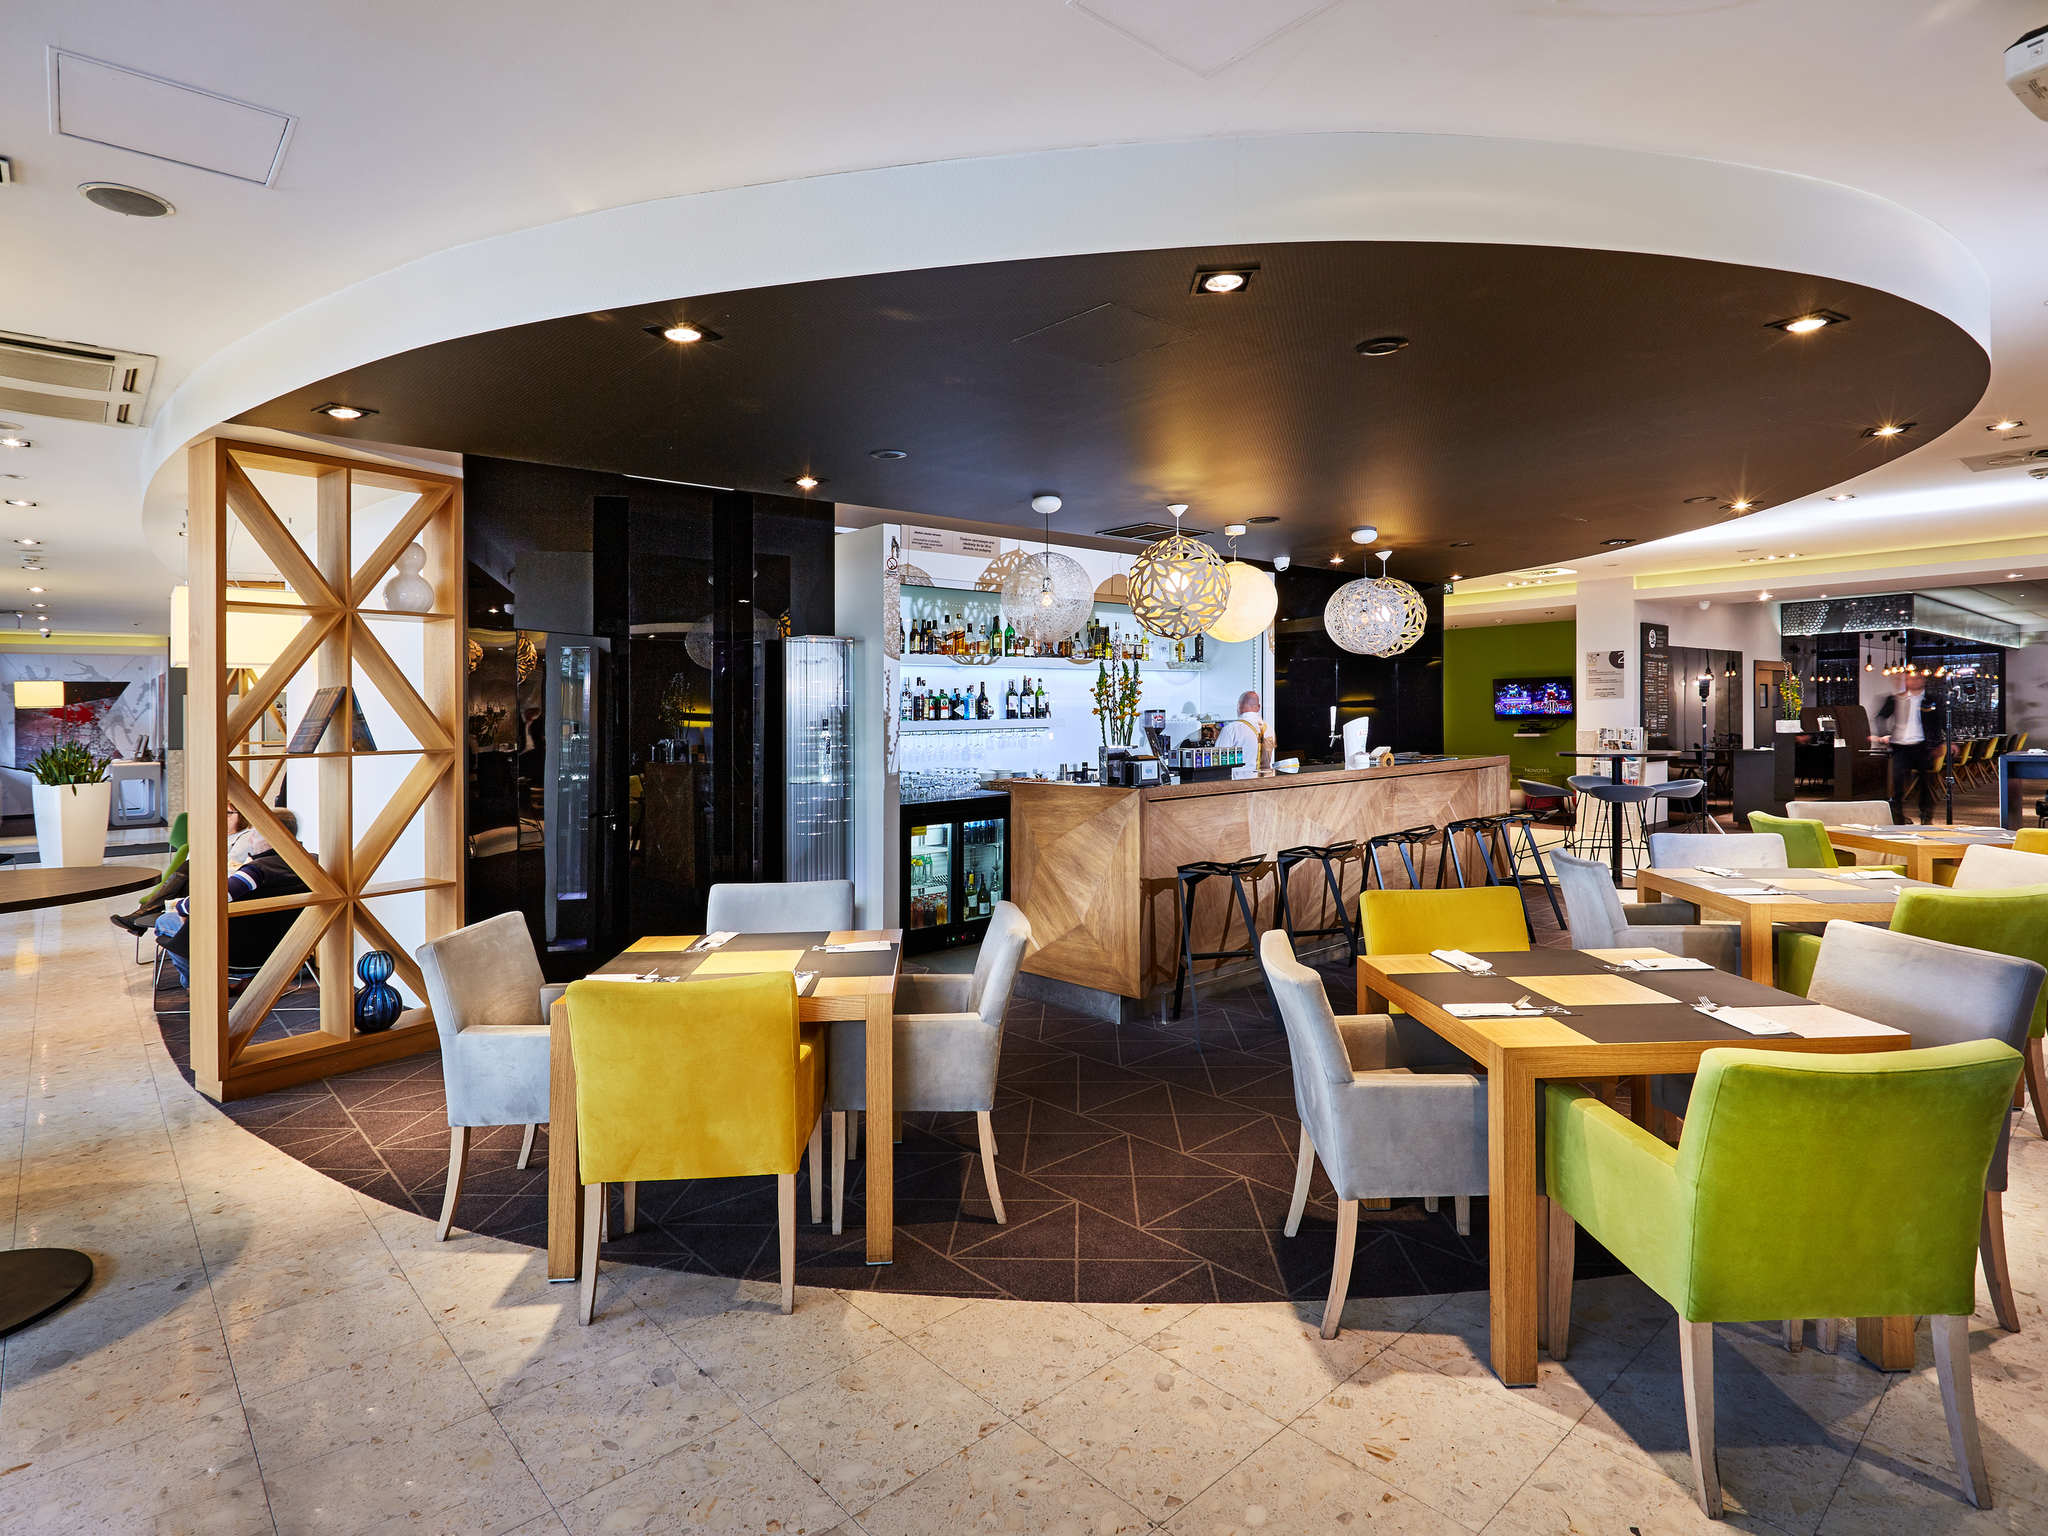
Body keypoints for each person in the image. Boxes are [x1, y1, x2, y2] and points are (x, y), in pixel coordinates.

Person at [154, 808, 307, 988]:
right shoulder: (309, 863)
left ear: (271, 837)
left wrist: (181, 907)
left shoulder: (256, 872)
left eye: (255, 834)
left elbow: (209, 900)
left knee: (163, 921)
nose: (250, 840)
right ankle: (249, 980)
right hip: (284, 949)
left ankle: (197, 987)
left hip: (237, 952)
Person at [112, 804, 260, 934]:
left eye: (228, 813)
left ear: (241, 816)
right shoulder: (214, 834)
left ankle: (142, 914)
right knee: (188, 869)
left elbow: (231, 866)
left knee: (188, 870)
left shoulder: (245, 837)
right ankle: (142, 915)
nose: (222, 817)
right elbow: (191, 857)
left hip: (220, 883)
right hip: (197, 880)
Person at [1874, 670, 1946, 824]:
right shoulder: (1895, 699)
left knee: (1925, 782)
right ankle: (1897, 817)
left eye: (1917, 678)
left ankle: (1926, 815)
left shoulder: (1931, 700)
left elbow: (1938, 722)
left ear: (1923, 680)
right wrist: (1885, 735)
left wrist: (1941, 743)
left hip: (1922, 746)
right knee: (1898, 782)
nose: (1913, 682)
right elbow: (1880, 717)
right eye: (1909, 679)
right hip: (1900, 746)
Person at [1213, 689, 1275, 781]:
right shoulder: (1269, 729)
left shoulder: (1231, 729)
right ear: (1259, 707)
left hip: (1240, 784)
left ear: (1239, 706)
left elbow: (1217, 762)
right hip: (1266, 782)